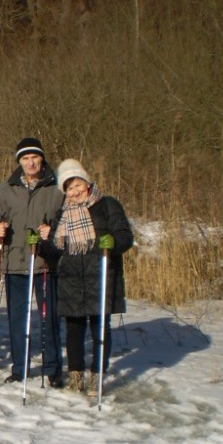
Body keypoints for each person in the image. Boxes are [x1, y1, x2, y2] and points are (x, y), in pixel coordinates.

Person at [44, 159, 133, 394]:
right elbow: (55, 249)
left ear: (87, 182)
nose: (75, 192)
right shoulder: (62, 214)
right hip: (71, 279)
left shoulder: (108, 205)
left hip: (100, 276)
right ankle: (76, 377)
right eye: (69, 188)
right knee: (73, 330)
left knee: (99, 327)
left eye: (77, 185)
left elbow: (125, 236)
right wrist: (40, 244)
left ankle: (97, 375)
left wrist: (114, 242)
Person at [0, 138, 65, 385]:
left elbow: (66, 220)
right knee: (17, 319)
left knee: (49, 318)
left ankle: (52, 368)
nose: (30, 163)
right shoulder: (7, 188)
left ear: (42, 159)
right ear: (19, 161)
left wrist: (53, 232)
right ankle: (19, 367)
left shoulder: (56, 187)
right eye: (25, 158)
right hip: (15, 261)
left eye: (34, 157)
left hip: (45, 262)